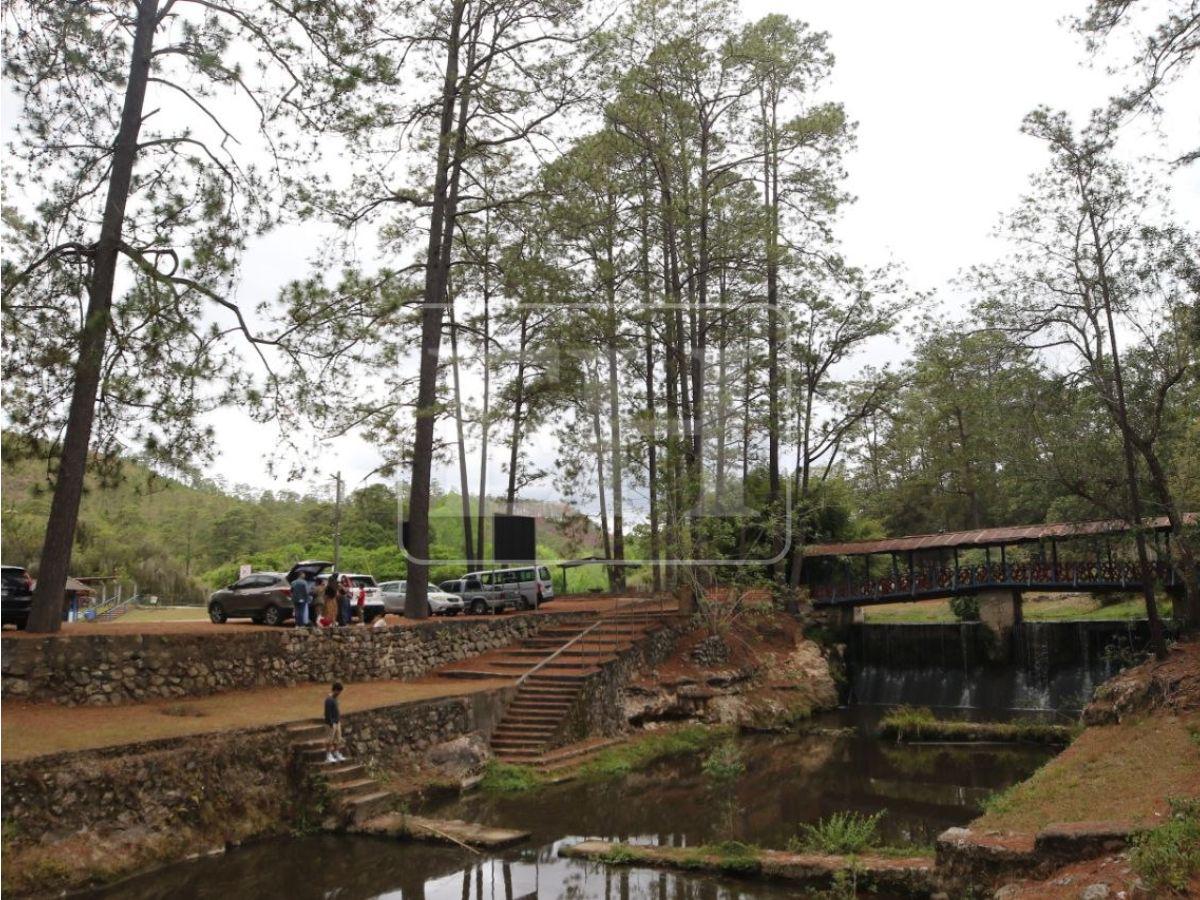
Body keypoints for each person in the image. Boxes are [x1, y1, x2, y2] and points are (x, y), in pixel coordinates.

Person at [324, 682, 345, 763]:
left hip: (337, 722)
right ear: (335, 690)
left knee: (337, 739)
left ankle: (336, 753)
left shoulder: (335, 699)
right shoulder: (329, 700)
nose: (339, 693)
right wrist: (331, 722)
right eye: (339, 691)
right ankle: (328, 755)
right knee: (330, 739)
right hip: (331, 723)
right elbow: (327, 713)